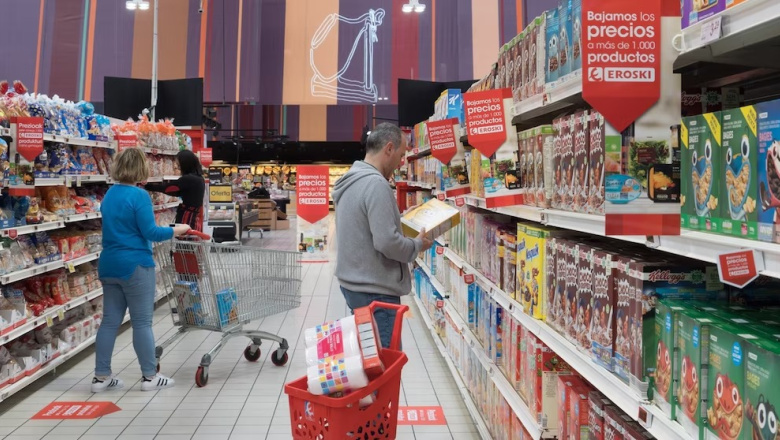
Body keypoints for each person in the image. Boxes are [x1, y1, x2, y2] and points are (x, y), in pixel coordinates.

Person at [92, 148, 190, 393]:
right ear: (141, 169)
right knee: (142, 323)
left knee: (109, 322)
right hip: (135, 264)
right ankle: (149, 376)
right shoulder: (139, 196)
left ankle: (100, 377)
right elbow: (151, 233)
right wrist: (178, 230)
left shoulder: (109, 195)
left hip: (109, 263)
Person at [332, 123, 433, 348]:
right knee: (383, 366)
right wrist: (416, 245)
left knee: (369, 359)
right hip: (375, 292)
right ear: (389, 148)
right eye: (402, 154)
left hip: (355, 285)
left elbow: (365, 228)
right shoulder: (376, 184)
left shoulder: (351, 179)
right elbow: (387, 242)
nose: (401, 162)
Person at [145, 149, 206, 231]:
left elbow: (168, 188)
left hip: (187, 218)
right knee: (190, 241)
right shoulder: (199, 178)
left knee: (184, 241)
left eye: (179, 163)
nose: (177, 166)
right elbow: (177, 192)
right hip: (194, 217)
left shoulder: (188, 179)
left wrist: (148, 186)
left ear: (185, 163)